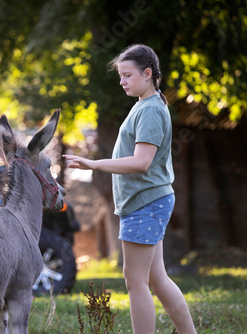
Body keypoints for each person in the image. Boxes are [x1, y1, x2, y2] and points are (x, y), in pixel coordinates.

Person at [64, 44, 196, 334]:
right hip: (149, 201)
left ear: (147, 74)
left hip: (145, 203)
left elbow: (141, 162)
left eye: (127, 75)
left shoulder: (149, 110)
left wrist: (94, 164)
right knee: (156, 278)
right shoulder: (146, 104)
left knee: (134, 281)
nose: (122, 81)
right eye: (120, 76)